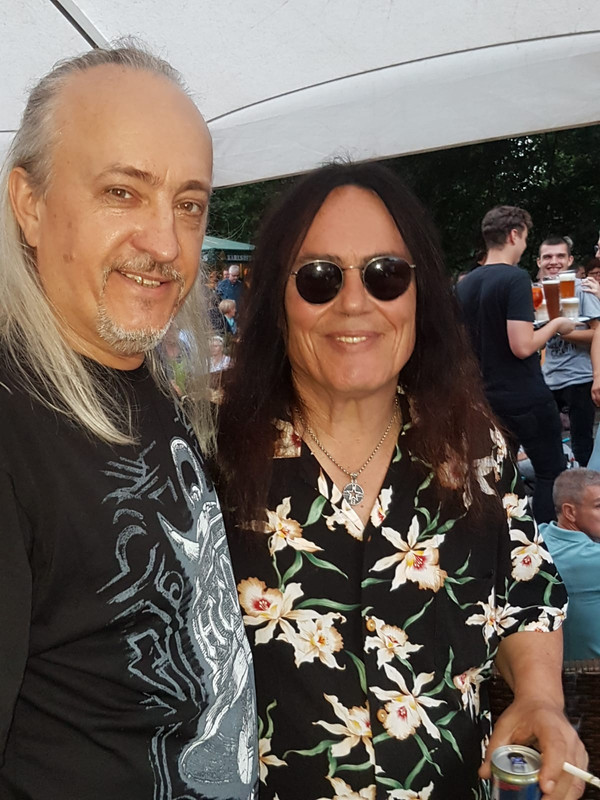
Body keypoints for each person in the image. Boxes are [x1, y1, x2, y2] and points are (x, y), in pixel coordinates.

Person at [214, 163, 585, 799]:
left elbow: (526, 588)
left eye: (385, 274)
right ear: (277, 299)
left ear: (420, 294)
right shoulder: (212, 459)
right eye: (319, 277)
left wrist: (540, 697)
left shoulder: (474, 447)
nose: (355, 303)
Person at [0, 44, 257, 799]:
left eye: (189, 204)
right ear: (29, 204)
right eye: (123, 191)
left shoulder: (140, 381)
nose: (166, 244)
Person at [456, 206, 574, 523]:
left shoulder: (464, 285)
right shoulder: (515, 278)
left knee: (497, 477)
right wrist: (557, 324)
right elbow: (522, 346)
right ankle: (548, 540)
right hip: (525, 397)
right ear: (514, 235)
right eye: (524, 238)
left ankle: (506, 540)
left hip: (484, 399)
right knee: (550, 473)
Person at [537, 237, 600, 466]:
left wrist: (559, 331)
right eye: (547, 257)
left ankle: (588, 485)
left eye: (560, 256)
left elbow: (597, 333)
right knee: (545, 441)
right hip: (550, 378)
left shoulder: (582, 288)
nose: (553, 261)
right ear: (539, 262)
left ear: (570, 260)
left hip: (580, 377)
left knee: (582, 444)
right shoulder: (536, 292)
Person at [539, 469, 600, 660]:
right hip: (590, 672)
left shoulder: (539, 536)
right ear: (570, 512)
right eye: (599, 506)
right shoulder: (591, 559)